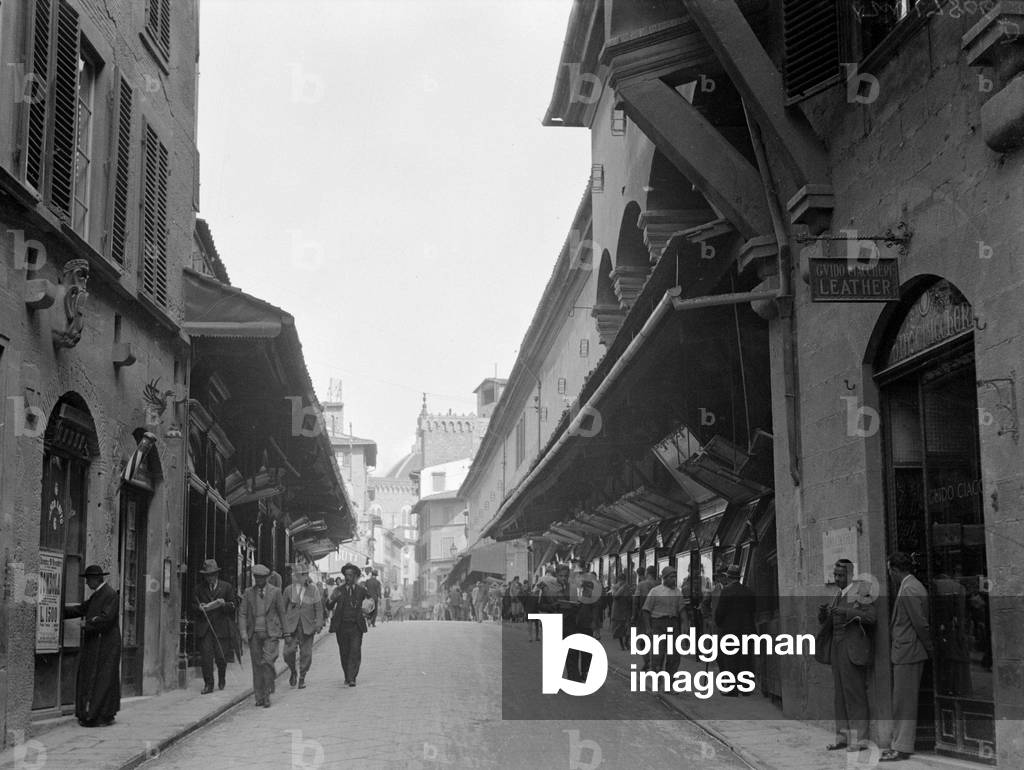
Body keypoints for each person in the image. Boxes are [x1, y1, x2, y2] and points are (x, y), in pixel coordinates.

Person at [817, 559, 876, 752]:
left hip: (852, 649)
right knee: (840, 695)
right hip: (836, 648)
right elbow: (829, 623)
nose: (837, 579)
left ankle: (859, 740)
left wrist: (845, 611)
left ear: (850, 575)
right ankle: (842, 737)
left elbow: (871, 617)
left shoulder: (860, 592)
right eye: (835, 575)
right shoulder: (837, 594)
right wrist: (823, 614)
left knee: (855, 694)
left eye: (840, 575)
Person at [880, 552, 933, 762]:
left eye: (889, 571)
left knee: (904, 702)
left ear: (894, 569)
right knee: (902, 701)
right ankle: (898, 744)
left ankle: (901, 747)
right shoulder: (909, 586)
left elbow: (919, 623)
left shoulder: (909, 588)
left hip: (908, 652)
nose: (890, 575)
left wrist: (929, 647)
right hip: (907, 650)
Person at [63, 565, 120, 727]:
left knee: (103, 678)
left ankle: (100, 716)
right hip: (99, 643)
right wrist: (60, 610)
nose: (87, 583)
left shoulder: (109, 594)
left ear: (96, 579)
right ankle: (96, 714)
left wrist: (86, 624)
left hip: (107, 644)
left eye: (88, 580)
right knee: (99, 678)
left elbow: (106, 619)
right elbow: (82, 609)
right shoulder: (98, 595)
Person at [238, 564, 286, 708]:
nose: (258, 580)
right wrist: (243, 632)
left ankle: (267, 692)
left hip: (271, 633)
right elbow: (243, 613)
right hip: (254, 634)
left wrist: (287, 632)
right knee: (257, 666)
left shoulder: (275, 592)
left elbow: (282, 612)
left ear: (266, 578)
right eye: (256, 578)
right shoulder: (248, 593)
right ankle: (259, 696)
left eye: (261, 578)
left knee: (267, 662)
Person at [194, 558, 237, 694]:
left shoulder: (226, 587)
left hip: (221, 628)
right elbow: (192, 606)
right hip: (205, 628)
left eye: (212, 575)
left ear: (217, 575)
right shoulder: (198, 589)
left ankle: (222, 677)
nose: (209, 578)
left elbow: (233, 606)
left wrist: (223, 604)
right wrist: (199, 607)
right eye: (207, 575)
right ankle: (209, 684)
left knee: (221, 657)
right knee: (206, 657)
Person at [326, 562, 371, 686]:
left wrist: (367, 608)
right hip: (341, 626)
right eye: (346, 575)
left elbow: (370, 603)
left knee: (355, 651)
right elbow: (328, 605)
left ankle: (352, 677)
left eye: (350, 575)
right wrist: (332, 598)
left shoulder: (362, 590)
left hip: (356, 626)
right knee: (344, 652)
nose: (347, 577)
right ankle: (347, 674)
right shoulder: (338, 590)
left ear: (356, 576)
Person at [714, 565, 756, 693]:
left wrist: (719, 623)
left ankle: (732, 689)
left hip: (730, 630)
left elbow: (720, 612)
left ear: (729, 577)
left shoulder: (726, 591)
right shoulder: (748, 591)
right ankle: (745, 688)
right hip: (747, 629)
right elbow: (753, 610)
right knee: (745, 658)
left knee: (731, 658)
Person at [283, 562, 324, 690]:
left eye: (304, 575)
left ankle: (302, 677)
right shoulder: (288, 590)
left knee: (306, 654)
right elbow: (282, 610)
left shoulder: (313, 589)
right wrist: (282, 627)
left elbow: (318, 608)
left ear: (307, 575)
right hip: (291, 627)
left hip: (307, 626)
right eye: (298, 575)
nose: (301, 577)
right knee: (287, 653)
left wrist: (318, 623)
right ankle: (293, 671)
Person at [643, 566, 686, 673]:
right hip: (658, 625)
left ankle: (670, 680)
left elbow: (682, 610)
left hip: (673, 624)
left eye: (675, 577)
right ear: (665, 578)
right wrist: (648, 628)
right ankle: (657, 677)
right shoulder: (655, 591)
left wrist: (685, 624)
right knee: (658, 654)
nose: (674, 579)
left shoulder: (677, 592)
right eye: (671, 577)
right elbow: (646, 610)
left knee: (674, 655)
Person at [632, 566, 658, 669]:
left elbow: (635, 602)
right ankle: (654, 662)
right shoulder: (660, 584)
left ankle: (647, 660)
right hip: (656, 616)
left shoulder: (641, 585)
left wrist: (633, 616)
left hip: (643, 616)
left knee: (642, 640)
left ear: (647, 573)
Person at [610, 573, 633, 650]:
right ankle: (622, 645)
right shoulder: (615, 587)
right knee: (619, 628)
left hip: (626, 609)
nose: (622, 582)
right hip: (618, 610)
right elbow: (615, 596)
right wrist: (623, 588)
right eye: (621, 580)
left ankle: (626, 641)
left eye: (623, 580)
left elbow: (630, 598)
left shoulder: (627, 587)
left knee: (628, 627)